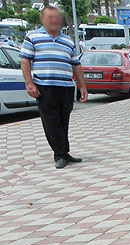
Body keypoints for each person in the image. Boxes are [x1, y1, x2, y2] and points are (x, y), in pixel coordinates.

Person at [20, 5, 87, 169]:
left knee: (64, 120)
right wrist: (29, 83)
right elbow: (25, 61)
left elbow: (76, 65)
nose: (55, 20)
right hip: (44, 86)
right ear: (43, 19)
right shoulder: (33, 37)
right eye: (51, 17)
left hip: (65, 86)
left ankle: (64, 151)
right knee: (51, 121)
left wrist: (82, 87)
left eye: (57, 17)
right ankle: (59, 154)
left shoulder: (67, 40)